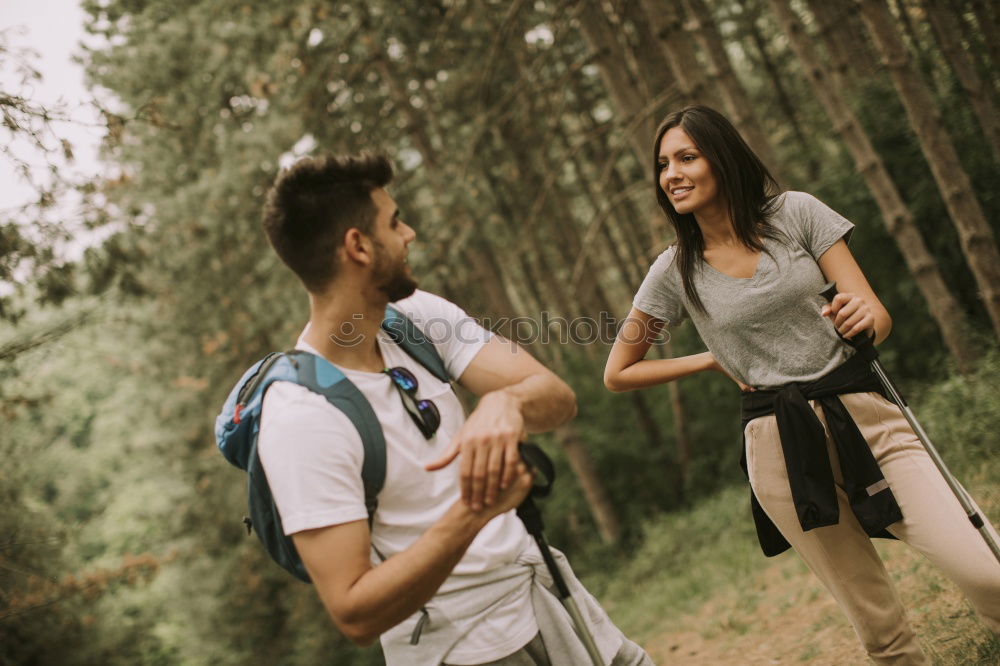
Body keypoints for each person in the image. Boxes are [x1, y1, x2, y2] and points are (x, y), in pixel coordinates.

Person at [604, 105, 1000, 664]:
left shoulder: (796, 213)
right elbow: (618, 371)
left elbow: (876, 316)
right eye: (663, 163)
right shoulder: (673, 269)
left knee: (986, 568)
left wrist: (861, 318)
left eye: (686, 157)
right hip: (778, 447)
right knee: (880, 631)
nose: (671, 173)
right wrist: (708, 361)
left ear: (724, 158)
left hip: (868, 415)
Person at [257, 153, 652, 666]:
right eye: (395, 221)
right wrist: (476, 510)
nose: (410, 234)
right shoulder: (299, 416)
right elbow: (354, 613)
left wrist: (506, 401)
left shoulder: (417, 317)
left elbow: (556, 398)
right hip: (463, 649)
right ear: (357, 246)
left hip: (549, 599)